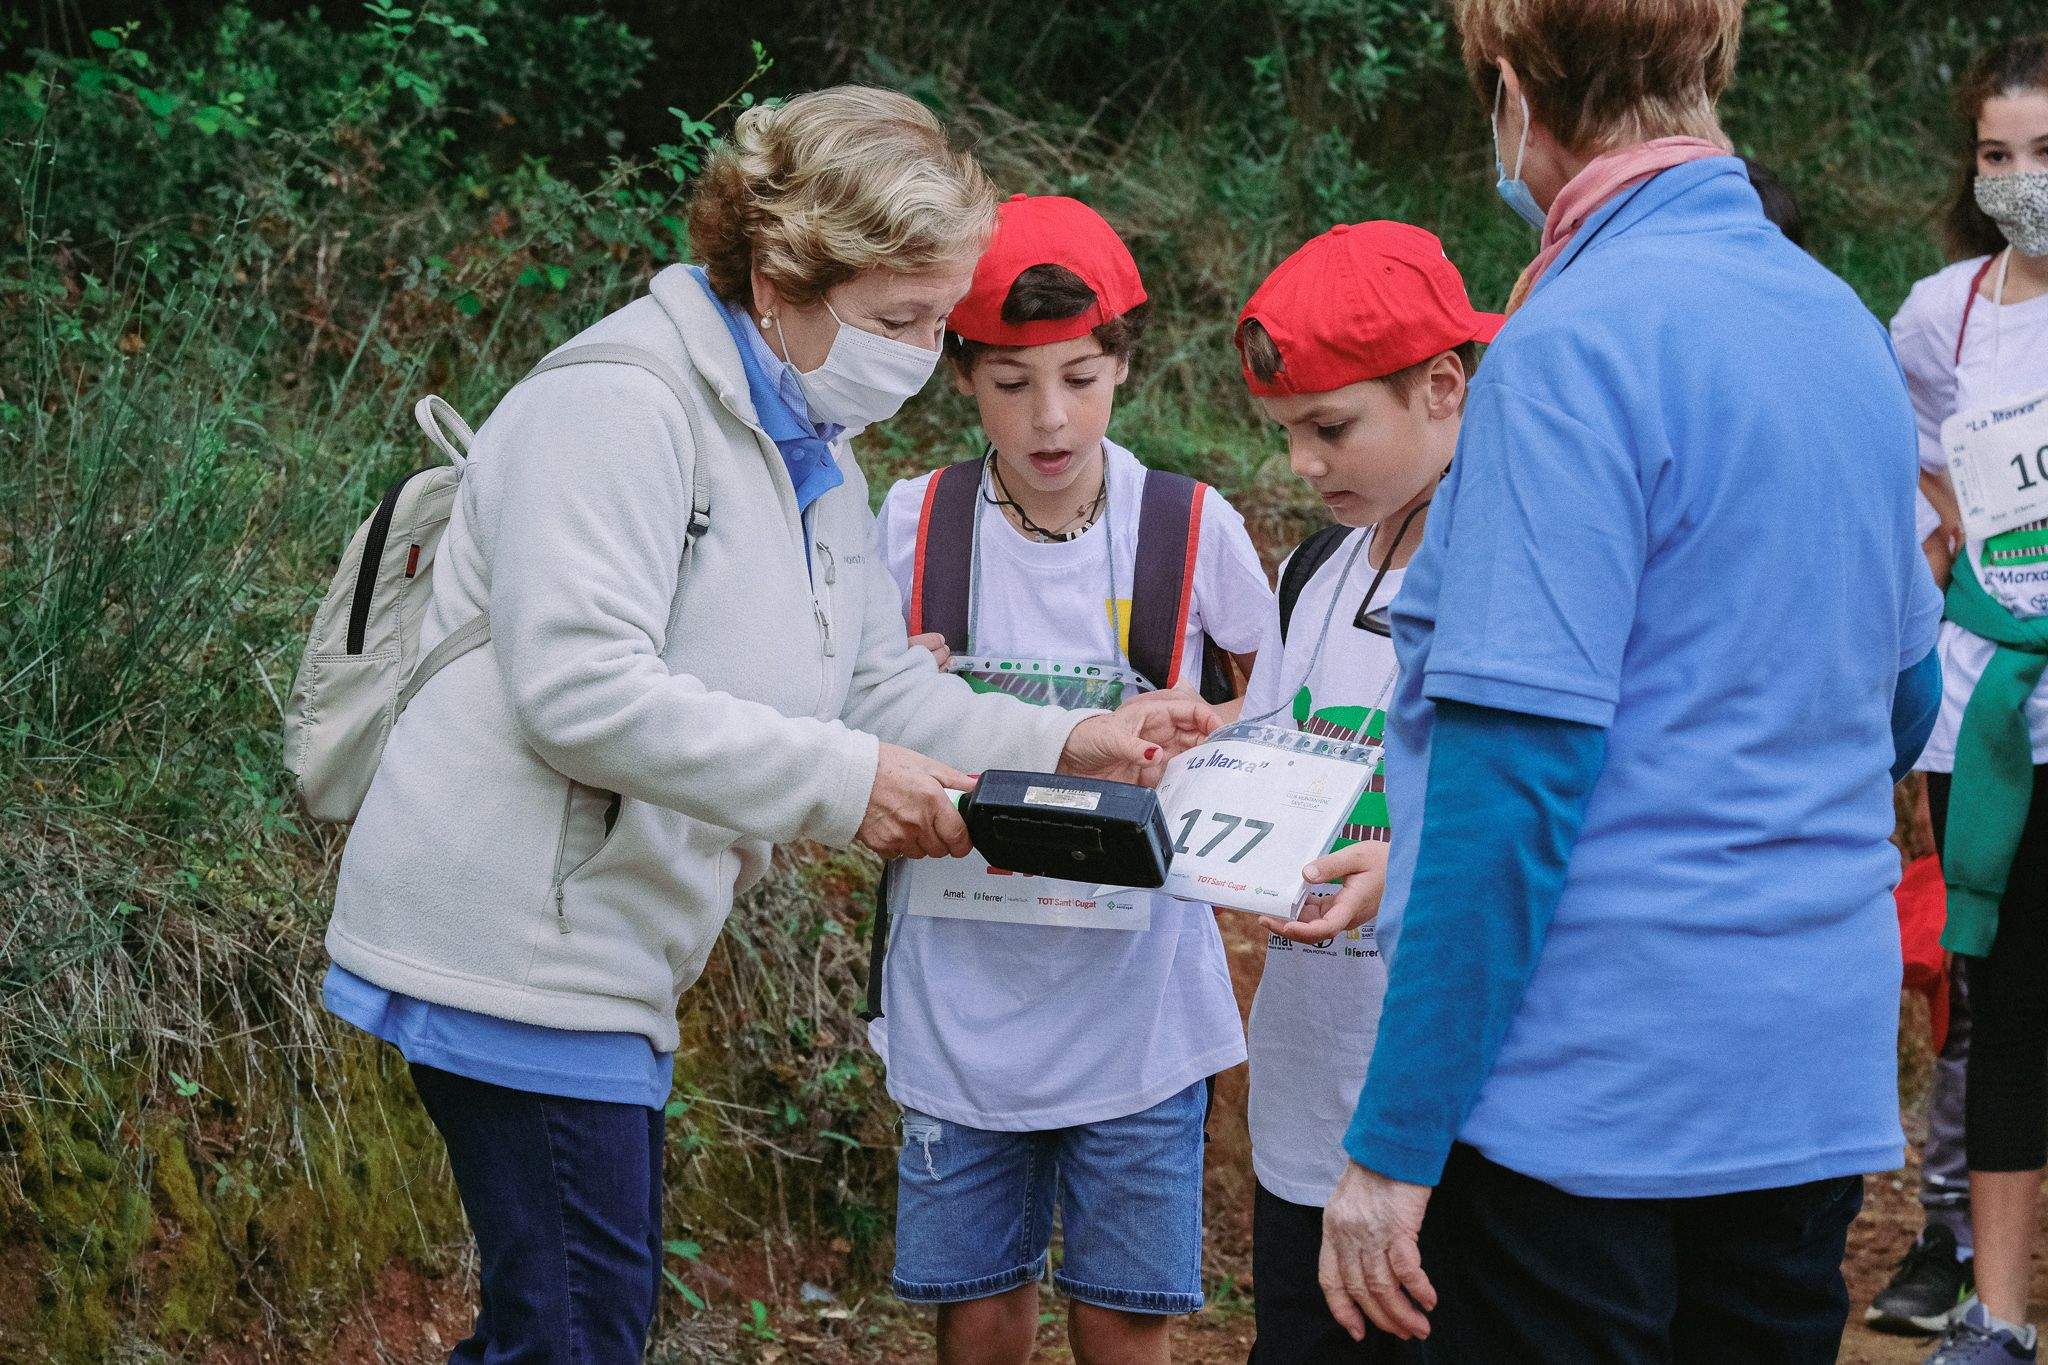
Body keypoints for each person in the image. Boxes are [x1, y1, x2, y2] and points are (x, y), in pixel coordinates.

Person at [320, 89, 1212, 1363]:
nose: (916, 354)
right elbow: (578, 690)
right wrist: (851, 787)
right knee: (574, 1329)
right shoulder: (621, 404)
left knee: (570, 1323)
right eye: (895, 319)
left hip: (604, 953)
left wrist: (1067, 743)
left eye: (929, 318)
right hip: (514, 946)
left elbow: (864, 687)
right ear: (780, 278)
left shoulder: (813, 449)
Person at [1312, 0, 1946, 1360]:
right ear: (1709, 66)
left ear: (1516, 95)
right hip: (1800, 1075)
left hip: (1585, 1097)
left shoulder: (1568, 344)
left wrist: (1392, 1145)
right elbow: (1899, 703)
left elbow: (1508, 786)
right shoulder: (1839, 323)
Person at [868, 193, 1271, 1365]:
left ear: (1124, 368)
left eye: (1080, 379)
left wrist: (1204, 724)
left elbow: (1291, 709)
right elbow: (827, 702)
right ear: (958, 375)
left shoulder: (1188, 530)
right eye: (1010, 384)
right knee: (979, 1311)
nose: (1048, 420)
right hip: (957, 995)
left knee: (1121, 1319)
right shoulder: (912, 526)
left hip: (1138, 1004)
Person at [1230, 222, 1498, 1363]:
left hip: (1457, 1132)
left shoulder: (1523, 563)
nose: (1302, 464)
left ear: (1442, 386)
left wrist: (1411, 872)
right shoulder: (1316, 568)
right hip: (1306, 1095)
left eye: (1329, 429)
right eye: (1287, 433)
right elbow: (1281, 764)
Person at [1890, 33, 2048, 1365]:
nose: (2019, 180)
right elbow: (1931, 498)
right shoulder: (1937, 317)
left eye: (2045, 153)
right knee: (2002, 1001)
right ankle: (1997, 1312)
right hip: (1984, 714)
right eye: (1996, 155)